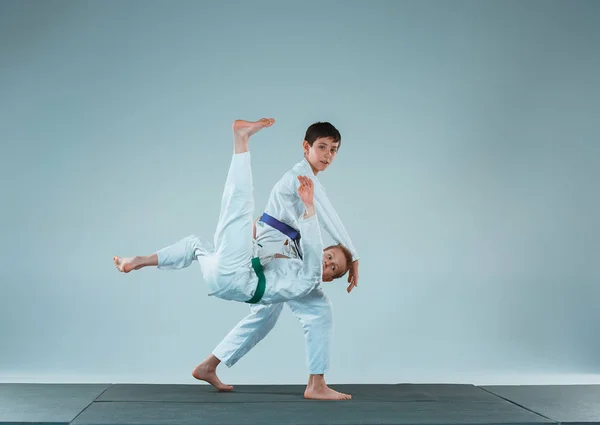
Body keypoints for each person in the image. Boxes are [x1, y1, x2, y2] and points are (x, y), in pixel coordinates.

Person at [191, 120, 359, 400]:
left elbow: (319, 218)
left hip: (279, 252)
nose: (328, 155)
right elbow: (325, 214)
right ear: (306, 147)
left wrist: (351, 255)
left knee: (266, 314)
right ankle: (316, 384)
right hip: (271, 252)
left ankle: (208, 365)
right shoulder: (299, 177)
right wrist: (354, 255)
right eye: (322, 147)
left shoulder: (309, 179)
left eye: (334, 150)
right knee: (318, 308)